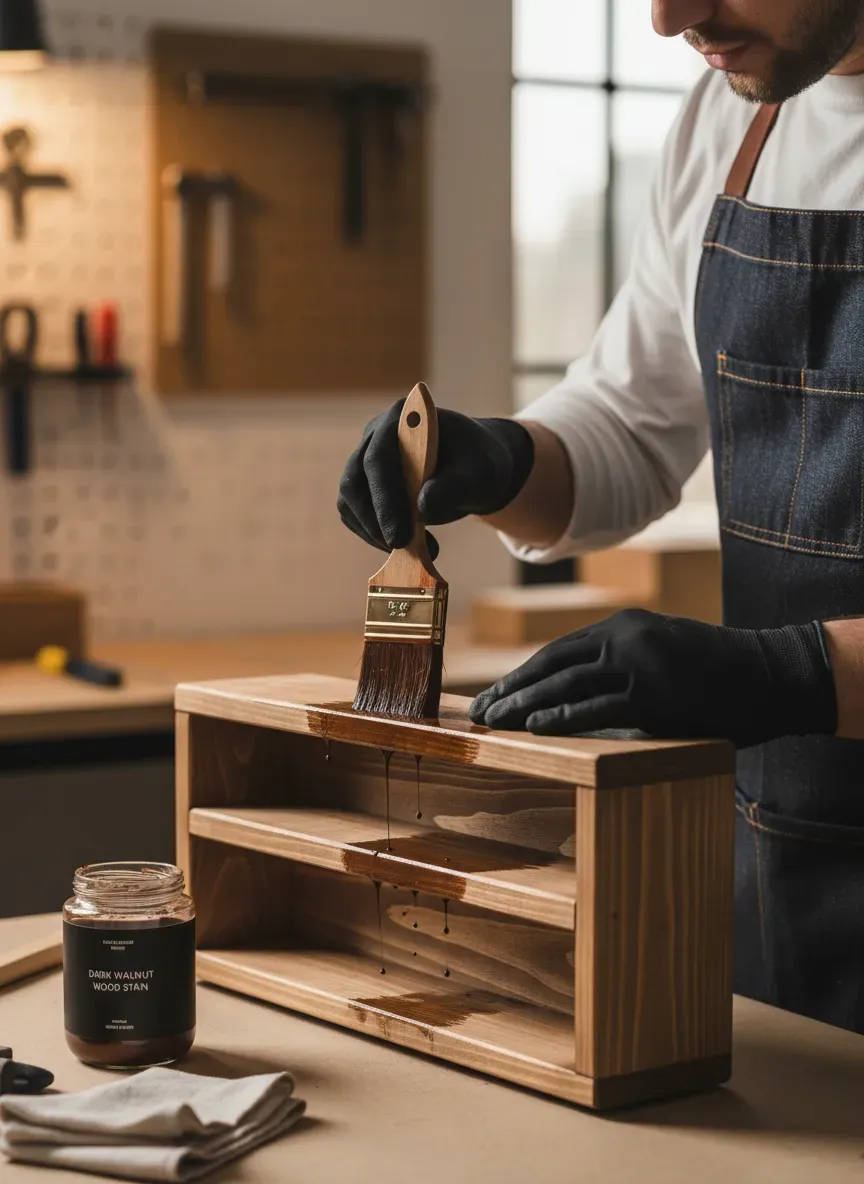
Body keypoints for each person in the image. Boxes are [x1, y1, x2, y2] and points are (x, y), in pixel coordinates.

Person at [337, 0, 864, 1035]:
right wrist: (497, 458)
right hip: (780, 876)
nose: (671, 18)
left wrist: (789, 672)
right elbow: (633, 418)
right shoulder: (733, 122)